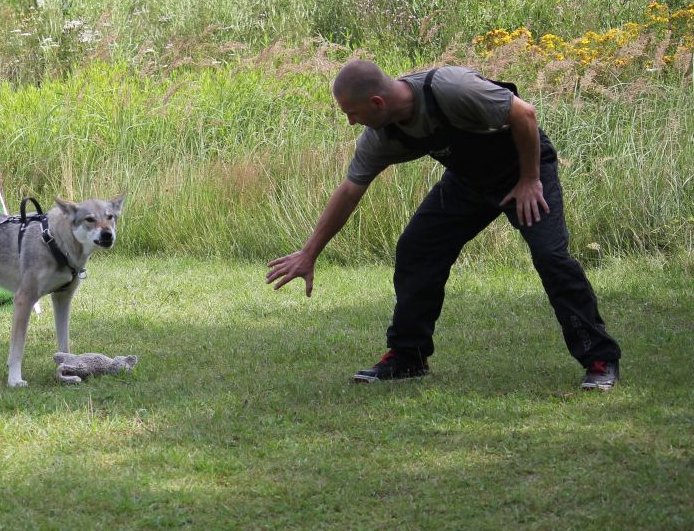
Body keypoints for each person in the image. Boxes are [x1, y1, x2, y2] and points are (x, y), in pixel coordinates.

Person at [266, 60, 621, 390]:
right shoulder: (383, 136)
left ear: (377, 102)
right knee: (417, 249)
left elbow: (524, 114)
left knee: (550, 256)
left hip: (525, 171)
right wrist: (309, 253)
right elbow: (349, 191)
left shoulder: (451, 88)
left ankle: (600, 359)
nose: (351, 123)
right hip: (469, 183)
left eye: (352, 114)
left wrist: (529, 179)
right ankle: (408, 357)